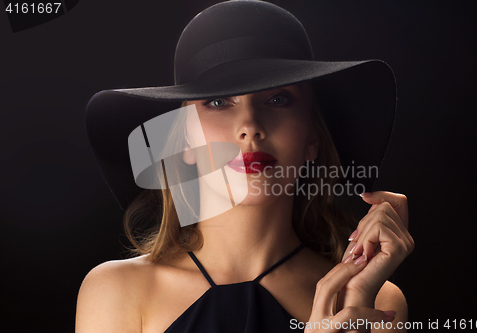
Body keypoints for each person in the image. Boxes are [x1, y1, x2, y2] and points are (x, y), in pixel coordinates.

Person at [77, 1, 414, 332]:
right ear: (183, 141)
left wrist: (356, 301)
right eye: (218, 102)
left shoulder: (375, 300)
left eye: (278, 99)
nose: (250, 125)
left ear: (312, 139)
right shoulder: (116, 290)